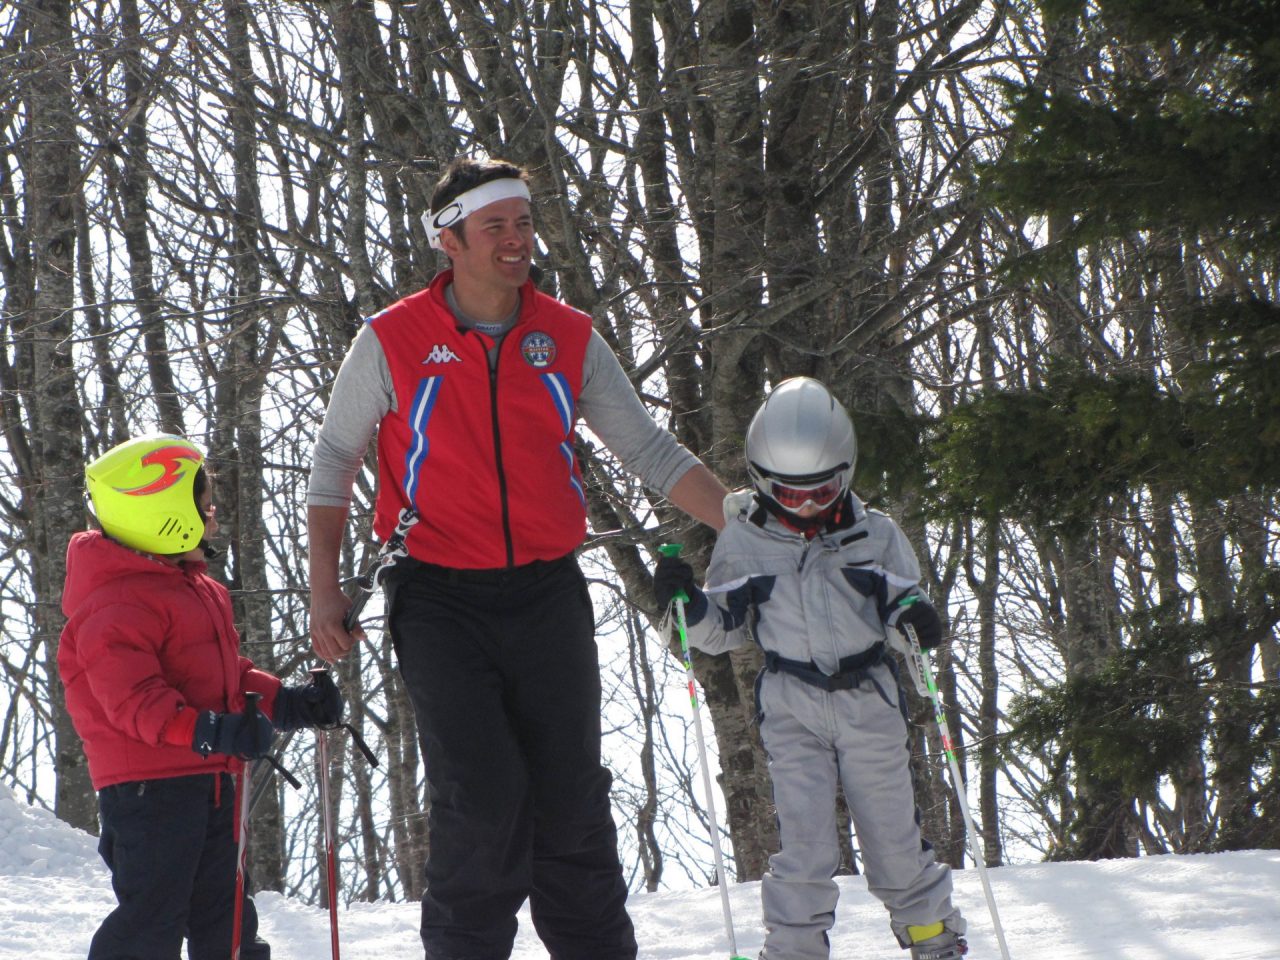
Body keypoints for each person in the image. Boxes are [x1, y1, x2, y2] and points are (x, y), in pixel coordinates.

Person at [306, 156, 728, 960]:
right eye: (494, 226)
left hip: (546, 593)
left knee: (571, 800)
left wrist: (745, 518)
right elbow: (334, 465)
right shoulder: (393, 340)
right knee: (484, 797)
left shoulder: (565, 336)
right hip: (438, 598)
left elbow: (648, 448)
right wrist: (328, 594)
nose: (515, 241)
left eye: (524, 223)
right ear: (449, 240)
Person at [653, 377, 969, 960]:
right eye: (789, 494)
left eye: (821, 491)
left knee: (893, 840)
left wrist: (916, 622)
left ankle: (933, 938)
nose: (807, 506)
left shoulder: (874, 535)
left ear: (843, 474)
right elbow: (720, 631)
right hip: (792, 701)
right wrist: (688, 603)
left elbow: (903, 610)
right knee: (804, 845)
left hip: (867, 696)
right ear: (760, 481)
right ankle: (794, 951)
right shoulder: (745, 543)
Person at [58, 434, 345, 960]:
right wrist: (213, 731)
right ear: (163, 513)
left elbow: (224, 677)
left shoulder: (196, 588)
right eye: (202, 502)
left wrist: (286, 702)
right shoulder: (114, 602)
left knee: (227, 914)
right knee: (154, 916)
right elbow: (134, 700)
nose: (213, 514)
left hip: (210, 780)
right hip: (149, 790)